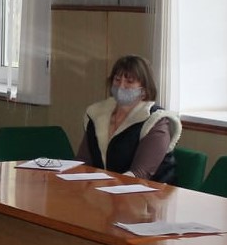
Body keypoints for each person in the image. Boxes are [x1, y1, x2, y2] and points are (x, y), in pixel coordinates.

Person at [77, 55, 181, 183]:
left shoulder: (156, 121)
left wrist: (104, 186)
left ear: (144, 89)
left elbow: (140, 173)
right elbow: (83, 162)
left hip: (149, 192)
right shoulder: (96, 115)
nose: (121, 86)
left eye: (129, 81)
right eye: (117, 79)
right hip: (102, 190)